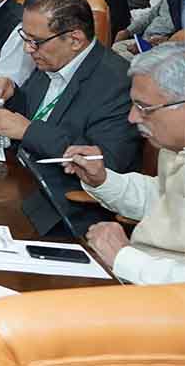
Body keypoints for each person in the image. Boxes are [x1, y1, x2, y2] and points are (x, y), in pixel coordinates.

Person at [0, 0, 143, 236]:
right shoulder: (52, 59)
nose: (27, 49)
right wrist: (11, 94)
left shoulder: (118, 83)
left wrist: (28, 131)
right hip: (22, 177)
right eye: (25, 38)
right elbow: (37, 113)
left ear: (75, 40)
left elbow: (105, 164)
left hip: (64, 206)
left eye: (35, 41)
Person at [59, 43, 185, 284]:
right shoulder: (174, 145)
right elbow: (166, 200)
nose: (132, 117)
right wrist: (103, 179)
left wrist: (124, 257)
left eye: (144, 108)